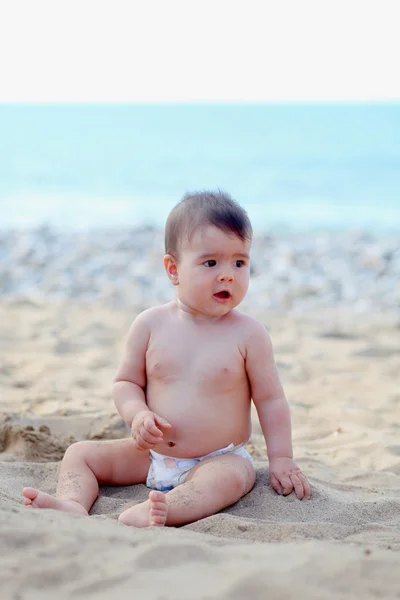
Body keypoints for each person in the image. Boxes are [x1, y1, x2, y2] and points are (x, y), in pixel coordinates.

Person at [22, 190, 311, 527]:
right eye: (211, 262)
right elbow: (126, 383)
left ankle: (165, 509)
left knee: (229, 480)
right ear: (173, 269)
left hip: (218, 457)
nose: (228, 274)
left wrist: (281, 458)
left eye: (240, 262)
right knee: (79, 454)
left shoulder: (249, 334)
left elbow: (271, 400)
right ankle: (72, 503)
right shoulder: (149, 325)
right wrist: (138, 414)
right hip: (151, 454)